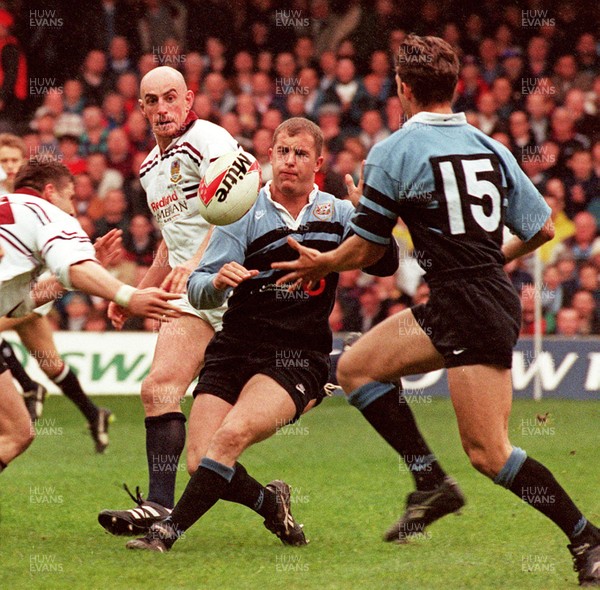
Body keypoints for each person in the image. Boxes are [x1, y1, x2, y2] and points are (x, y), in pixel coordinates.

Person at [272, 36, 600, 587]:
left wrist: (323, 261)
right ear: (454, 87)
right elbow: (541, 227)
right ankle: (430, 482)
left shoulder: (395, 150)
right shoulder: (490, 145)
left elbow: (366, 250)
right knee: (355, 368)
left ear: (402, 88)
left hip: (469, 305)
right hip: (466, 297)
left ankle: (587, 537)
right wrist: (488, 258)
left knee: (489, 453)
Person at [125, 117, 462, 553]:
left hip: (295, 356)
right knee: (199, 461)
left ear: (318, 162)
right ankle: (271, 504)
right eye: (283, 151)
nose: (289, 161)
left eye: (300, 154)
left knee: (230, 438)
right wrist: (216, 281)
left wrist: (371, 221)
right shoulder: (240, 212)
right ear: (269, 157)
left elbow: (384, 266)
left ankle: (166, 534)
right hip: (234, 349)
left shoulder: (339, 213)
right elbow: (196, 289)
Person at [97, 66, 239, 536]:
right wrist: (137, 292)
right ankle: (159, 505)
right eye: (152, 100)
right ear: (141, 108)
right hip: (190, 299)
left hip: (235, 288)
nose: (162, 108)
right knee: (158, 389)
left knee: (211, 451)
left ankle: (268, 499)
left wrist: (198, 264)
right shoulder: (148, 169)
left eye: (170, 98)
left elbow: (234, 212)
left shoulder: (210, 141)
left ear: (188, 99)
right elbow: (169, 241)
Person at [0, 158, 181, 472]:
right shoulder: (49, 214)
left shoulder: (11, 209)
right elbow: (76, 268)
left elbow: (16, 302)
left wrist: (69, 276)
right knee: (16, 433)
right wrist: (129, 295)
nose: (71, 209)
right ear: (49, 190)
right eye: (70, 197)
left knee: (18, 430)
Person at [0, 133, 113, 452]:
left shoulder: (44, 205)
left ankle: (27, 386)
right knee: (51, 363)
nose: (8, 166)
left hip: (33, 290)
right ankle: (93, 414)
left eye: (14, 160)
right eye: (3, 160)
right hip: (15, 292)